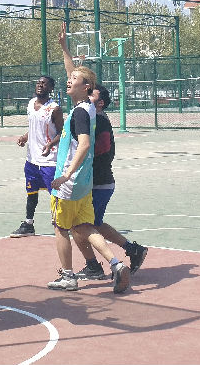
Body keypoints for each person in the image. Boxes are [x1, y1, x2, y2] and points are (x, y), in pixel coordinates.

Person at [46, 25, 130, 294]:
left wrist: (66, 174)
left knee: (60, 228)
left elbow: (83, 144)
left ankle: (68, 276)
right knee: (84, 226)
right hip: (84, 184)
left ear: (86, 87)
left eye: (74, 79)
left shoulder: (81, 113)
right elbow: (72, 72)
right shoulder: (86, 107)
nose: (69, 79)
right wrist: (64, 49)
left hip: (70, 183)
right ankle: (116, 264)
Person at [73, 83, 148, 281]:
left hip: (99, 183)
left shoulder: (99, 120)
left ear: (100, 103)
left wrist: (78, 156)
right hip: (96, 182)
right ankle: (133, 250)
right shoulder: (91, 117)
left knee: (80, 225)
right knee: (93, 225)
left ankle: (96, 266)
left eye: (92, 94)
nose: (88, 96)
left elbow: (103, 149)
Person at [10, 76, 63, 237]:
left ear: (50, 88)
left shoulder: (54, 109)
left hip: (49, 160)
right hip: (31, 160)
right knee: (31, 192)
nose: (40, 85)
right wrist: (25, 137)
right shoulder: (31, 104)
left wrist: (50, 144)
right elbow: (34, 127)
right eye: (38, 83)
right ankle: (28, 224)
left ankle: (63, 224)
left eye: (44, 83)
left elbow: (62, 133)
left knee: (56, 194)